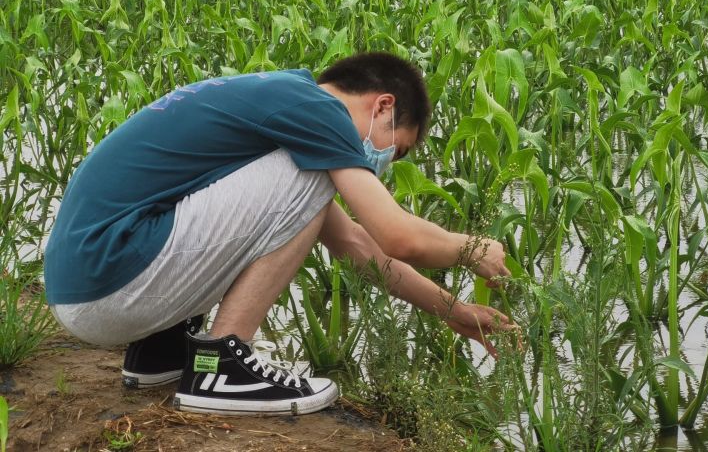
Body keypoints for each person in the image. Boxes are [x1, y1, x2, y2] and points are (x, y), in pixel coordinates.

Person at [44, 52, 515, 416]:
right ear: (383, 105)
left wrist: (451, 310)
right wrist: (473, 248)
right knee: (315, 175)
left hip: (90, 286)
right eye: (397, 149)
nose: (386, 163)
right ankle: (222, 370)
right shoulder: (318, 113)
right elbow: (397, 237)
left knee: (309, 179)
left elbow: (353, 244)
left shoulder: (286, 99)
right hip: (111, 277)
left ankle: (161, 351)